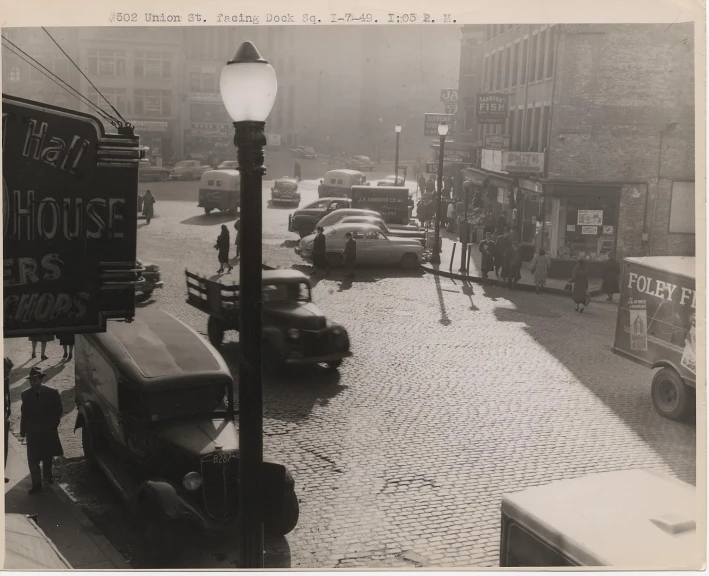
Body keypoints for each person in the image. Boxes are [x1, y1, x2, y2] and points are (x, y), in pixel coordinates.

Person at [20, 367, 63, 495]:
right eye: (31, 380)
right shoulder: (25, 395)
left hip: (47, 431)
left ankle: (48, 477)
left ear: (41, 379)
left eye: (35, 379)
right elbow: (24, 414)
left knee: (47, 456)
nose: (33, 382)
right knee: (33, 459)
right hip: (33, 432)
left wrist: (53, 424)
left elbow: (58, 410)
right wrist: (23, 430)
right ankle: (36, 484)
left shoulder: (52, 393)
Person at [5, 357, 13, 483]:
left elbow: (8, 395)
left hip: (4, 416)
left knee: (4, 447)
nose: (7, 374)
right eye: (6, 371)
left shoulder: (6, 379)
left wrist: (9, 408)